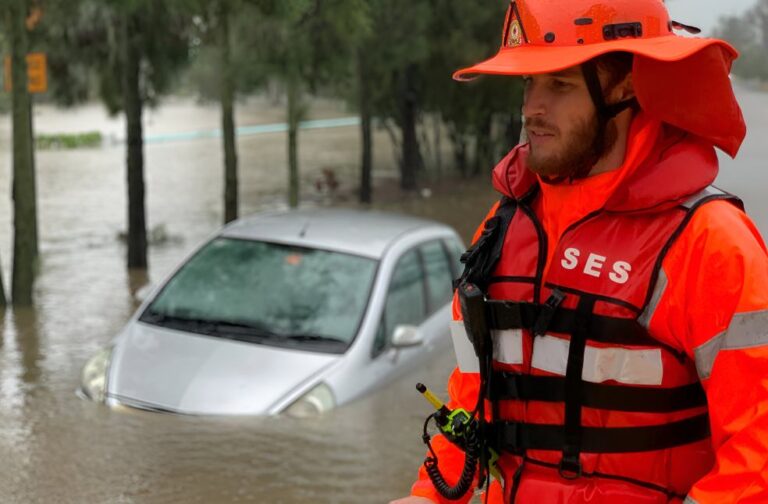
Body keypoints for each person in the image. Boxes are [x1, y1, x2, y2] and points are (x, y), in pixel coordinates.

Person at [391, 1, 768, 503]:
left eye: (559, 84)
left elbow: (757, 452)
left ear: (626, 86)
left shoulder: (710, 242)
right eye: (529, 84)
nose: (532, 109)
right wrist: (430, 496)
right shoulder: (505, 225)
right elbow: (472, 394)